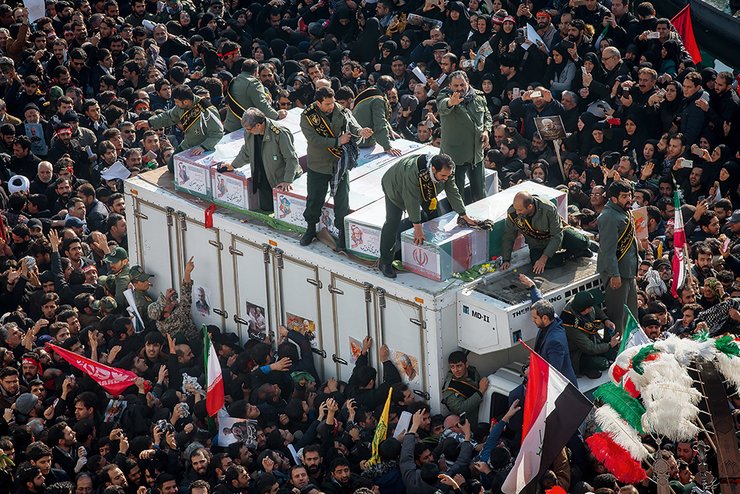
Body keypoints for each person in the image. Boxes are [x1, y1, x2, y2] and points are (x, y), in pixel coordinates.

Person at [378, 153, 479, 278]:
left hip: (427, 189)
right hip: (396, 187)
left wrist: (463, 214)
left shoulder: (447, 170)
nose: (446, 179)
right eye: (443, 176)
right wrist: (417, 227)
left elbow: (452, 191)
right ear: (433, 169)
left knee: (435, 217)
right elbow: (411, 200)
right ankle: (385, 262)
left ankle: (433, 256)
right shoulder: (412, 173)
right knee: (392, 222)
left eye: (448, 176)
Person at [298, 87, 372, 250]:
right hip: (319, 164)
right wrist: (338, 141)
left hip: (340, 163)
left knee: (342, 200)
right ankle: (310, 229)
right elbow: (314, 140)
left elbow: (352, 124)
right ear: (318, 103)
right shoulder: (308, 116)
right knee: (314, 199)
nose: (331, 106)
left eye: (333, 102)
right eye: (327, 104)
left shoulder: (340, 110)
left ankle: (342, 233)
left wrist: (361, 131)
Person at [222, 107, 302, 213]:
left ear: (258, 125)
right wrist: (233, 165)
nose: (247, 131)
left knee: (283, 212)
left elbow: (291, 158)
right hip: (263, 177)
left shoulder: (279, 133)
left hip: (280, 179)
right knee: (266, 209)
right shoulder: (250, 133)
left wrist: (287, 180)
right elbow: (246, 151)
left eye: (248, 129)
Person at [135, 85, 224, 171]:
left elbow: (217, 133)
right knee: (172, 166)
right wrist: (150, 123)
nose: (175, 104)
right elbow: (169, 116)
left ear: (185, 102)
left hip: (203, 147)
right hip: (188, 144)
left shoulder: (207, 110)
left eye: (177, 102)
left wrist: (204, 147)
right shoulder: (181, 106)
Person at [500, 191, 592, 274]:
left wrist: (543, 259)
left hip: (556, 237)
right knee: (536, 264)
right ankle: (571, 255)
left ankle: (579, 250)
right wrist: (506, 259)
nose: (517, 212)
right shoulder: (513, 213)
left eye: (520, 210)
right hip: (537, 243)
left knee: (583, 243)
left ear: (530, 206)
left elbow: (557, 235)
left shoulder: (548, 209)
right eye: (516, 209)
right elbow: (509, 236)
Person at [437, 71, 492, 204]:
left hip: (476, 153)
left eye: (462, 85)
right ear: (450, 86)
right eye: (455, 86)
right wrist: (451, 102)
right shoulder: (444, 96)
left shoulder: (478, 96)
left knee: (480, 194)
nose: (459, 88)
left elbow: (487, 116)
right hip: (455, 155)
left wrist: (486, 131)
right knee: (456, 195)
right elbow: (443, 106)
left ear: (468, 83)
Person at [519, 273, 578, 385]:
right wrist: (532, 286)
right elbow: (539, 301)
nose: (533, 320)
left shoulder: (555, 341)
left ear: (545, 318)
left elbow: (553, 372)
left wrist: (531, 371)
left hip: (559, 388)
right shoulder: (552, 318)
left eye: (535, 318)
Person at [597, 180, 640, 335]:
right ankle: (619, 347)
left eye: (629, 195)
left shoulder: (624, 211)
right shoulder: (608, 217)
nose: (629, 199)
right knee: (619, 318)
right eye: (624, 196)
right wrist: (614, 274)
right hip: (617, 273)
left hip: (628, 271)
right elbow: (608, 251)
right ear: (614, 199)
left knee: (632, 316)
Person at [561, 289, 621, 378]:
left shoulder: (579, 302)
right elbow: (589, 348)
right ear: (585, 310)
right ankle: (585, 369)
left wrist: (605, 320)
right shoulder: (570, 323)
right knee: (602, 363)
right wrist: (609, 345)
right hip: (579, 352)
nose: (592, 308)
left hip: (593, 339)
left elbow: (596, 309)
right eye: (590, 307)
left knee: (614, 355)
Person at [223, 58, 286, 133]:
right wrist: (277, 115)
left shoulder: (234, 80)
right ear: (256, 71)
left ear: (242, 69)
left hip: (230, 126)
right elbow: (262, 106)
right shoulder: (253, 83)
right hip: (243, 129)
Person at [352, 75, 401, 156]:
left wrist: (389, 130)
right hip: (362, 140)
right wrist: (387, 147)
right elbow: (379, 123)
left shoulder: (371, 91)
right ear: (389, 90)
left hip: (354, 136)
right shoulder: (378, 100)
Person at [442, 351, 488, 425]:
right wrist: (481, 391)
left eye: (459, 366)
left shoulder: (473, 372)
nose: (456, 370)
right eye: (452, 367)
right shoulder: (450, 388)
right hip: (468, 423)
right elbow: (459, 409)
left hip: (483, 412)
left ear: (466, 364)